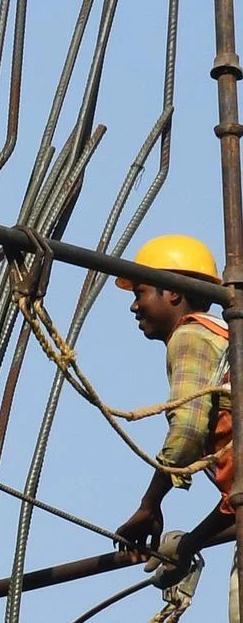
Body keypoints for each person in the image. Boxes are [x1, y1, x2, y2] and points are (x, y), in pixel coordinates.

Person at [111, 236, 235, 618]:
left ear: (175, 294)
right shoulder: (227, 337)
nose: (134, 305)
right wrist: (188, 547)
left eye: (142, 291)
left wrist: (150, 503)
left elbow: (186, 431)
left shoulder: (191, 336)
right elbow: (236, 504)